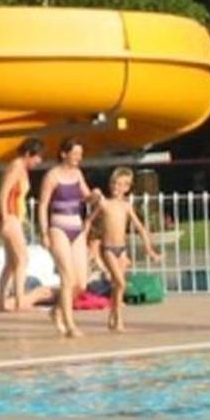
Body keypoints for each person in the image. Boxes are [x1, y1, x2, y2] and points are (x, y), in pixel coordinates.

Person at [87, 166, 160, 332]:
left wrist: (150, 250)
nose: (115, 188)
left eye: (120, 185)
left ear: (127, 188)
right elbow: (89, 221)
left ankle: (112, 316)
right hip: (108, 249)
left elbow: (140, 227)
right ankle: (118, 317)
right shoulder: (104, 204)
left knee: (116, 286)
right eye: (113, 184)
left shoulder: (126, 206)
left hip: (122, 249)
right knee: (120, 282)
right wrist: (89, 245)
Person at [37, 138, 94, 340]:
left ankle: (57, 311)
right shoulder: (52, 176)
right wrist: (44, 232)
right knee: (67, 278)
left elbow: (85, 195)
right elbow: (43, 205)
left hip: (76, 228)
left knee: (81, 283)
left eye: (80, 154)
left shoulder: (77, 174)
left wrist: (94, 196)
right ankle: (70, 325)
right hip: (58, 228)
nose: (78, 158)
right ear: (64, 154)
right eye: (75, 153)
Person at [0, 138, 44, 313]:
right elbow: (4, 193)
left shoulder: (20, 168)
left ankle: (0, 300)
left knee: (11, 262)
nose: (39, 161)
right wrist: (6, 217)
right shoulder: (17, 168)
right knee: (22, 258)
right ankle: (20, 299)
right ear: (29, 154)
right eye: (37, 157)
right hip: (11, 217)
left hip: (13, 217)